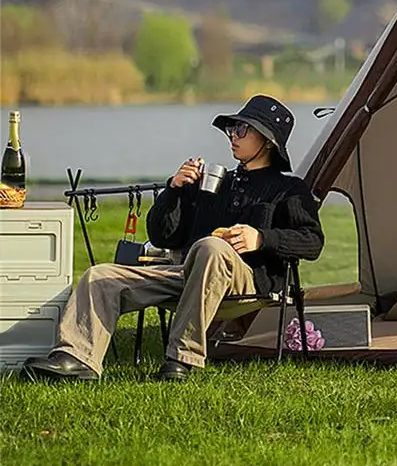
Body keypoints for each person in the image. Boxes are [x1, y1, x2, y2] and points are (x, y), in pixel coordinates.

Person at [22, 95, 325, 383]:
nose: (233, 134)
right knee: (100, 276)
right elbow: (162, 235)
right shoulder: (215, 183)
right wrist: (174, 190)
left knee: (210, 246)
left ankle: (182, 357)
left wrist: (261, 238)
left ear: (267, 141)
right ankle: (77, 357)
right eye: (232, 128)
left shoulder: (289, 190)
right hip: (188, 273)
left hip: (247, 279)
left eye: (242, 128)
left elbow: (312, 241)